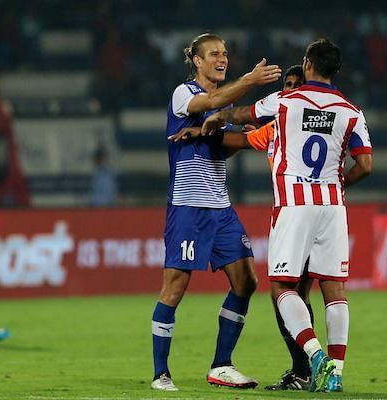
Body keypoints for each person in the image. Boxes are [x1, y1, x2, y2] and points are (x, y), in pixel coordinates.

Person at [201, 38, 373, 393]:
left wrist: (218, 115)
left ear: (308, 63)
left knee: (282, 287)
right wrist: (337, 184)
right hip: (333, 205)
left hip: (295, 206)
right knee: (335, 290)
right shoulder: (351, 111)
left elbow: (244, 114)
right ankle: (336, 371)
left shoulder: (286, 101)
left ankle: (315, 357)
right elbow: (366, 165)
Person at [169, 65, 314, 390]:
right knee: (292, 291)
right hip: (317, 214)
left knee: (290, 293)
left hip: (300, 216)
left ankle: (312, 366)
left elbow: (236, 118)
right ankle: (305, 370)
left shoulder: (287, 124)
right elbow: (244, 139)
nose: (290, 90)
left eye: (296, 85)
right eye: (287, 85)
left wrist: (224, 115)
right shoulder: (280, 127)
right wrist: (208, 132)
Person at [150, 32, 281, 392]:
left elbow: (231, 143)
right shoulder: (185, 94)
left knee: (247, 282)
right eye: (213, 54)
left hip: (220, 208)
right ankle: (161, 373)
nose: (221, 58)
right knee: (175, 288)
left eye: (224, 53)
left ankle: (221, 365)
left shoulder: (216, 113)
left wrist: (267, 131)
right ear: (196, 60)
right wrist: (251, 82)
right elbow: (216, 100)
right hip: (188, 207)